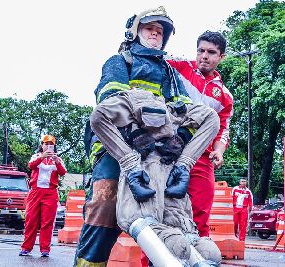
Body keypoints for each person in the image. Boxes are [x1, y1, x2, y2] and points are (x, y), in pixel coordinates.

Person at [75, 6, 220, 266]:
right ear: (134, 31)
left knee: (168, 222)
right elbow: (110, 104)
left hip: (159, 153)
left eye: (160, 31)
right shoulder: (120, 62)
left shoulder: (171, 75)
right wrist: (136, 134)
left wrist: (180, 140)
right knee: (104, 212)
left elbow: (187, 113)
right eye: (150, 28)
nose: (156, 33)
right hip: (116, 149)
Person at [167, 31, 234, 237]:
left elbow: (223, 130)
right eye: (201, 50)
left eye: (211, 52)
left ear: (221, 57)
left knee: (200, 216)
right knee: (162, 213)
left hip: (201, 159)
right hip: (169, 150)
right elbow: (152, 57)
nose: (204, 56)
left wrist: (219, 151)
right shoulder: (179, 67)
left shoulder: (225, 95)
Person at [19, 134, 67, 257]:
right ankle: (26, 248)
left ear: (54, 146)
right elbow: (31, 166)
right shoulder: (36, 156)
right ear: (42, 145)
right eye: (46, 144)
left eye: (51, 144)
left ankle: (45, 249)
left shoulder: (58, 159)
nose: (48, 146)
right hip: (35, 191)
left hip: (50, 193)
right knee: (31, 220)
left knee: (47, 222)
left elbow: (63, 172)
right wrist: (42, 157)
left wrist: (56, 161)